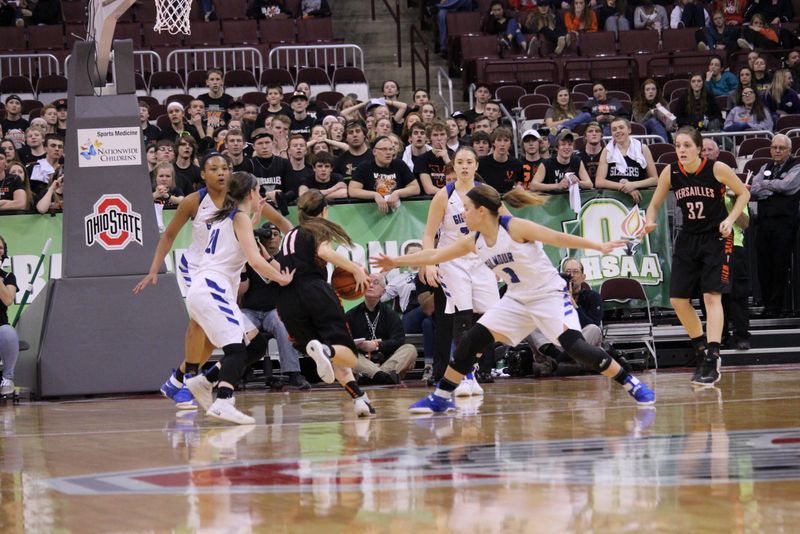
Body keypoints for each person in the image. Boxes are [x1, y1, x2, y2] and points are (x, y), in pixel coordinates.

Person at [371, 184, 656, 413]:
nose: (463, 214)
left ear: (481, 211)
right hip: (517, 299)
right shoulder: (474, 240)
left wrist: (598, 245)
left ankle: (631, 383)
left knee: (578, 349)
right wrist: (395, 261)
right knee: (471, 341)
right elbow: (435, 254)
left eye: (467, 209)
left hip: (548, 295)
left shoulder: (514, 227)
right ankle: (441, 397)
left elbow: (557, 238)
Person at [134, 153, 292, 409]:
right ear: (202, 174)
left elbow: (281, 222)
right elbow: (169, 235)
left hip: (224, 271)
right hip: (198, 268)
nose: (221, 173)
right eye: (214, 168)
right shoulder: (194, 201)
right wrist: (154, 269)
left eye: (225, 168)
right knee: (201, 324)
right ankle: (189, 380)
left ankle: (178, 380)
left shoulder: (241, 199)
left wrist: (296, 242)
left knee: (219, 333)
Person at [181, 172, 294, 424]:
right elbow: (255, 261)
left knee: (256, 346)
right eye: (259, 190)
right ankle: (223, 401)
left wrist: (254, 218)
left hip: (206, 289)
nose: (261, 195)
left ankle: (205, 381)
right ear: (252, 192)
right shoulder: (237, 217)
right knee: (236, 349)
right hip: (213, 288)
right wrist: (281, 279)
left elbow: (237, 237)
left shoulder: (227, 216)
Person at [642, 126, 749, 385]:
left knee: (711, 297)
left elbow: (744, 193)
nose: (681, 150)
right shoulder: (671, 171)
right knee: (678, 300)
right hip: (688, 238)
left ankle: (713, 356)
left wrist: (730, 219)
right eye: (678, 145)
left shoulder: (717, 168)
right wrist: (649, 221)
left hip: (716, 238)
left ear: (699, 148)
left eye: (687, 145)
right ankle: (700, 348)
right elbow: (654, 204)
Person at [274, 189, 376, 417]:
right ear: (324, 211)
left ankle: (359, 399)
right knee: (348, 355)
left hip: (286, 299)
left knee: (333, 356)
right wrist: (355, 269)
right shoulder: (317, 228)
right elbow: (324, 251)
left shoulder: (289, 235)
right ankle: (326, 350)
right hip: (314, 290)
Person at [418, 146, 502, 393]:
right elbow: (429, 234)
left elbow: (501, 227)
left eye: (469, 162)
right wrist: (429, 263)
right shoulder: (444, 195)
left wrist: (500, 261)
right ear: (453, 166)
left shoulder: (487, 193)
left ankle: (472, 367)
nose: (464, 166)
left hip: (481, 261)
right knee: (462, 316)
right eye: (460, 162)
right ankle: (464, 376)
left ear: (476, 165)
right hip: (452, 261)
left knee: (489, 319)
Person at [239, 223, 311, 390]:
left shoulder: (286, 258)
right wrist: (242, 267)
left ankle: (293, 373)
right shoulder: (250, 258)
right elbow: (242, 290)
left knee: (283, 325)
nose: (271, 237)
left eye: (275, 234)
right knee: (238, 328)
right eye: (267, 234)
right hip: (250, 310)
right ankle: (238, 371)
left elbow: (284, 278)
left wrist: (266, 257)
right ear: (259, 239)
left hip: (274, 310)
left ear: (281, 238)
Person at [748, 134, 800, 317]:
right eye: (774, 147)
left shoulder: (796, 166)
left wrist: (766, 185)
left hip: (784, 223)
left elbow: (788, 186)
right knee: (763, 264)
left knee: (780, 264)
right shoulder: (765, 166)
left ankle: (777, 306)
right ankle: (767, 304)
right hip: (764, 223)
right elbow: (754, 187)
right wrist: (773, 187)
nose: (777, 151)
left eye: (781, 148)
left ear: (789, 150)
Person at [528, 258, 604, 375]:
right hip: (559, 345)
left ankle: (555, 364)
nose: (571, 275)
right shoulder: (554, 297)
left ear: (583, 277)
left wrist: (573, 304)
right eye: (568, 272)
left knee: (594, 329)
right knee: (533, 324)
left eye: (575, 272)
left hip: (582, 344)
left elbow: (592, 324)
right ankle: (569, 364)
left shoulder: (593, 297)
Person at [346, 275, 418, 385]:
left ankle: (372, 377)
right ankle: (384, 377)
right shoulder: (351, 315)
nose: (370, 285)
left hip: (385, 362)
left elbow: (399, 341)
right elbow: (344, 342)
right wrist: (359, 346)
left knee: (410, 349)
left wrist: (377, 345)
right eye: (367, 282)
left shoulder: (391, 315)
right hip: (363, 361)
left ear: (383, 292)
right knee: (347, 353)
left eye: (375, 283)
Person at [349, 135, 420, 213]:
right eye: (384, 149)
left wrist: (397, 193)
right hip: (371, 214)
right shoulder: (365, 167)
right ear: (374, 151)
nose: (388, 152)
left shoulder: (399, 165)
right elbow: (353, 190)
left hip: (398, 214)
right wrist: (375, 195)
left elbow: (415, 188)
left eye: (391, 149)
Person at [594, 118, 659, 204]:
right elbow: (599, 182)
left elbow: (655, 179)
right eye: (614, 129)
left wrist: (634, 185)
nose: (618, 131)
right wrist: (625, 188)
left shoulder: (642, 148)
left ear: (629, 130)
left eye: (621, 127)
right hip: (614, 200)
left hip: (639, 199)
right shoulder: (607, 151)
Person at [477, 127, 523, 194]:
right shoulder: (481, 163)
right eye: (499, 140)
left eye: (506, 140)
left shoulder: (517, 164)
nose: (502, 144)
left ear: (510, 144)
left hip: (509, 198)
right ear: (493, 142)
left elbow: (520, 184)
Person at [0, 235, 18, 396]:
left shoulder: (8, 277)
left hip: (0, 328)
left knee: (8, 332)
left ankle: (7, 378)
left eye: (0, 248)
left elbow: (7, 300)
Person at [631, 79, 674, 143]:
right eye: (647, 89)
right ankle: (664, 144)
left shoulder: (663, 103)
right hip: (644, 129)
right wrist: (650, 113)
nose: (651, 91)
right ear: (643, 92)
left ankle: (663, 144)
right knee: (653, 121)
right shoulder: (637, 105)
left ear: (657, 91)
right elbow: (640, 123)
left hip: (663, 128)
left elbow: (669, 118)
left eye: (653, 89)